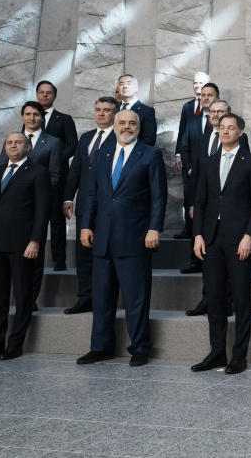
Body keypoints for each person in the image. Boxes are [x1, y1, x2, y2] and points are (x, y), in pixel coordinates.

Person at [77, 109, 168, 367]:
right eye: (122, 123)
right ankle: (100, 347)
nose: (127, 127)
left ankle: (139, 347)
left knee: (136, 297)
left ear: (139, 127)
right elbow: (92, 194)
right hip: (102, 238)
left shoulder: (150, 155)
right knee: (102, 298)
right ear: (114, 126)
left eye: (132, 123)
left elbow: (158, 197)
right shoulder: (102, 155)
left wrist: (154, 229)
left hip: (135, 237)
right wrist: (85, 226)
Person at [190, 113, 251, 375]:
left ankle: (239, 356)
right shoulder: (208, 162)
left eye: (231, 128)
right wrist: (198, 235)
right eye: (222, 127)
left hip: (239, 238)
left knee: (242, 298)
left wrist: (249, 236)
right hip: (211, 238)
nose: (226, 131)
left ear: (240, 133)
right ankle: (217, 352)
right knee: (214, 297)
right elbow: (199, 203)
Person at [0, 133, 51, 360]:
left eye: (18, 142)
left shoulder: (38, 172)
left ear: (28, 146)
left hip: (23, 245)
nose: (13, 146)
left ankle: (14, 345)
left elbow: (42, 211)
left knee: (23, 296)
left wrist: (35, 241)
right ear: (5, 147)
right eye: (9, 143)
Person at [0, 101, 63, 310]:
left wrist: (34, 191)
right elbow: (0, 170)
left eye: (36, 114)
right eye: (28, 114)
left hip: (35, 205)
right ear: (22, 116)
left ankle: (29, 298)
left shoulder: (53, 142)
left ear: (42, 118)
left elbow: (55, 175)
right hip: (8, 207)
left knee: (34, 253)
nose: (32, 118)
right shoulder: (12, 140)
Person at [183, 98, 249, 316]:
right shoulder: (203, 137)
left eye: (221, 111)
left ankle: (226, 302)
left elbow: (242, 176)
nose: (216, 114)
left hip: (232, 218)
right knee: (210, 268)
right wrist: (195, 204)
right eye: (213, 111)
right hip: (207, 210)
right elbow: (200, 176)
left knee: (230, 273)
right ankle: (208, 301)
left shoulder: (240, 139)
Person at [62, 97, 118, 315]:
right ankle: (85, 298)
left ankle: (104, 299)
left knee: (104, 255)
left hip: (108, 206)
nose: (101, 114)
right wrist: (68, 197)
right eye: (98, 110)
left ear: (115, 113)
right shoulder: (85, 137)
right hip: (85, 205)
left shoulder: (120, 136)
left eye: (106, 110)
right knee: (83, 255)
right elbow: (75, 169)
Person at [35, 80, 78, 270]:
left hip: (57, 175)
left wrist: (56, 158)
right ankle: (34, 256)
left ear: (54, 96)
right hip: (35, 176)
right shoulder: (31, 118)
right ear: (37, 94)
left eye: (48, 93)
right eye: (41, 92)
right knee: (35, 216)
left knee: (56, 219)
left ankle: (59, 260)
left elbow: (73, 145)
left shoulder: (64, 119)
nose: (45, 95)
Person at [179, 82, 220, 275]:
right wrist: (188, 169)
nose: (205, 98)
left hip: (218, 185)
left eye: (210, 95)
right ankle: (195, 260)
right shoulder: (193, 122)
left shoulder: (226, 125)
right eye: (203, 95)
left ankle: (211, 260)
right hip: (196, 180)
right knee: (196, 221)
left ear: (216, 98)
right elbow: (184, 147)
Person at [174, 71, 210, 239]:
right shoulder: (187, 106)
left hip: (207, 158)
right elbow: (182, 130)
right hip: (188, 157)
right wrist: (178, 154)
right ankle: (188, 228)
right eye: (195, 82)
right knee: (188, 195)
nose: (197, 85)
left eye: (201, 82)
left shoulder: (214, 106)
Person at [115, 74, 157, 145]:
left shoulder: (147, 111)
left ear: (136, 88)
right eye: (121, 84)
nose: (125, 86)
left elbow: (149, 140)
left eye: (129, 83)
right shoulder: (112, 110)